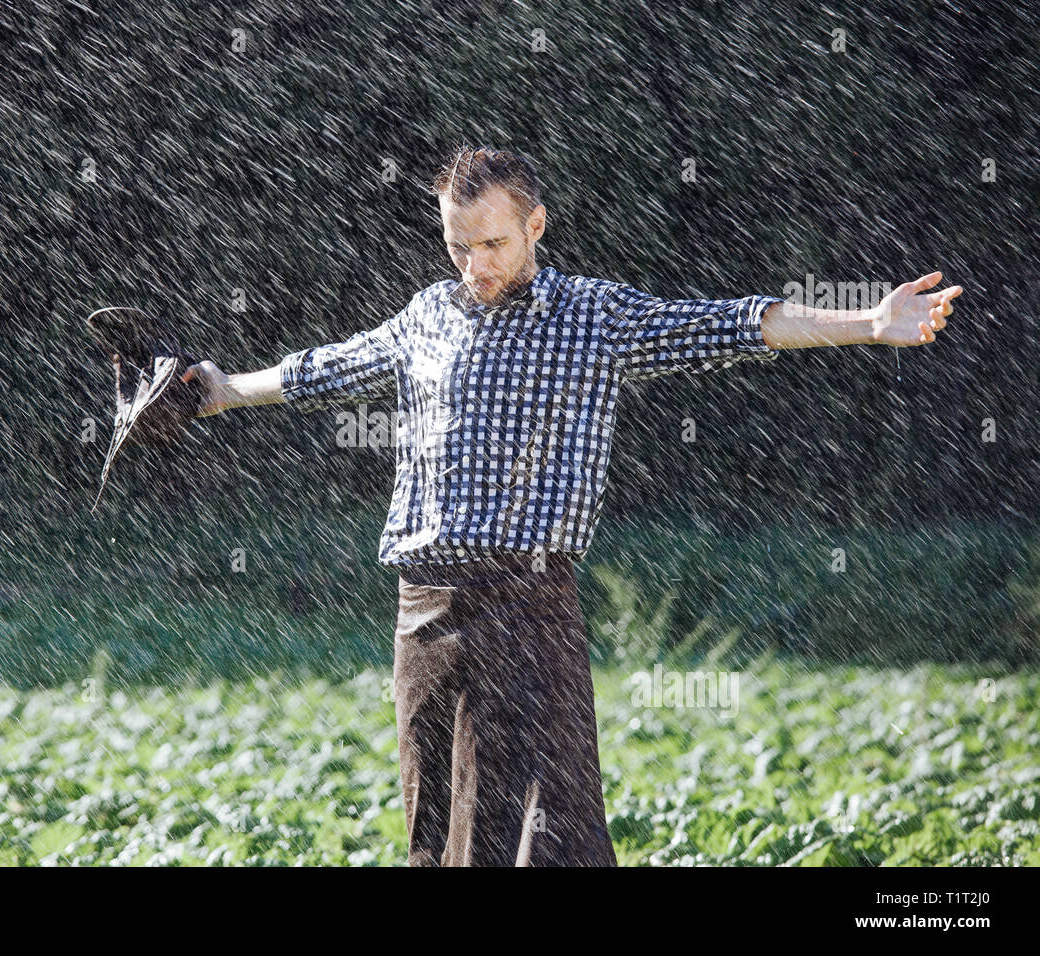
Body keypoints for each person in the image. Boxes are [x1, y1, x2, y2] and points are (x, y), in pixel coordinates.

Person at [180, 144, 962, 866]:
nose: (475, 264)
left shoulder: (592, 317)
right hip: (424, 614)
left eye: (494, 244)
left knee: (552, 832)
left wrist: (865, 323)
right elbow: (329, 370)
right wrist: (221, 391)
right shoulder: (427, 316)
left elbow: (732, 323)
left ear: (536, 225)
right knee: (442, 836)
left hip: (529, 606)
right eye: (458, 245)